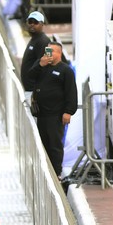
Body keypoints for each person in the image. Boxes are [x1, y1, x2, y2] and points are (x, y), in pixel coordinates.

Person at [29, 41, 77, 175]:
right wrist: (40, 64)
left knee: (54, 145)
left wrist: (68, 112)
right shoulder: (41, 65)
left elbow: (71, 92)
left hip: (56, 115)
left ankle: (56, 172)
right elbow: (29, 77)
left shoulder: (65, 70)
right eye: (47, 51)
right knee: (43, 144)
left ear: (59, 53)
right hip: (41, 113)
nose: (47, 54)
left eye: (51, 51)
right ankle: (45, 171)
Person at [19, 11, 50, 96]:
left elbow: (46, 65)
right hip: (29, 90)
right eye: (30, 22)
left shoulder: (44, 41)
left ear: (42, 25)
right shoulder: (34, 39)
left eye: (36, 22)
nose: (32, 24)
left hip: (35, 91)